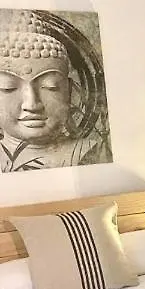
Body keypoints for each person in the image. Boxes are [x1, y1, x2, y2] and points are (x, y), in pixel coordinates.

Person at [0, 10, 110, 172]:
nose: (32, 105)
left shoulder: (92, 153)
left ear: (69, 92)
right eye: (8, 87)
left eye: (50, 87)